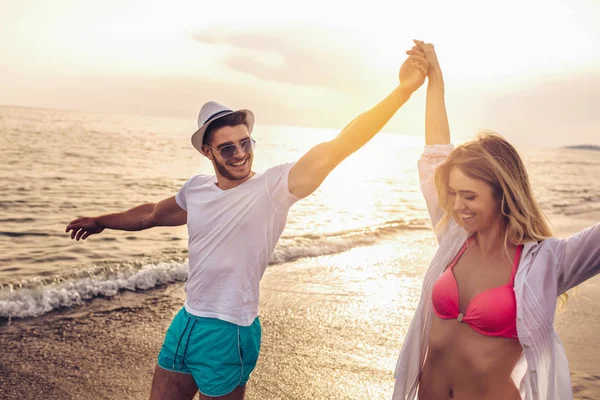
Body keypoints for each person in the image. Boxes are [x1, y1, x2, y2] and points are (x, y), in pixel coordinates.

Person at [65, 47, 428, 400]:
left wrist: (402, 91)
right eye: (227, 148)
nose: (240, 154)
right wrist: (102, 221)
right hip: (187, 320)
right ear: (208, 152)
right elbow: (150, 215)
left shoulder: (272, 188)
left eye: (245, 143)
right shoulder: (197, 189)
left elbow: (341, 145)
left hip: (230, 331)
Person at [392, 41, 600, 400]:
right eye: (454, 193)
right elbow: (436, 154)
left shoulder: (546, 262)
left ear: (503, 194)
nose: (457, 205)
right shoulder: (456, 239)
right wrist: (435, 81)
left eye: (470, 196)